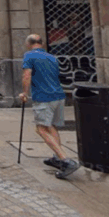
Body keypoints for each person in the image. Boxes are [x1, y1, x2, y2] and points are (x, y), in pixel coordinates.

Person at [19, 34, 81, 179]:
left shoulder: (29, 56)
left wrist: (24, 93)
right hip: (58, 95)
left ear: (28, 44)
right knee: (52, 126)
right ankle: (57, 158)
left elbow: (26, 75)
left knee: (41, 129)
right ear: (42, 43)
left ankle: (66, 160)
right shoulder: (52, 57)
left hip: (43, 97)